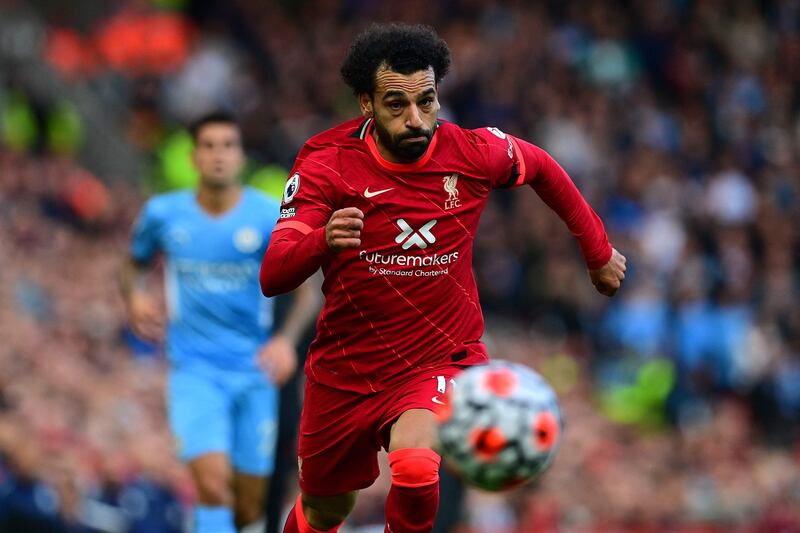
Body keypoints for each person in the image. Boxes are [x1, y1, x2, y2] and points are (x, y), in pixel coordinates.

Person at [260, 24, 626, 533]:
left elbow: (541, 166)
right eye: (395, 105)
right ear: (365, 103)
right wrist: (321, 239)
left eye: (426, 101)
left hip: (437, 358)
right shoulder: (326, 164)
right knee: (326, 510)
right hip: (346, 368)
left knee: (415, 469)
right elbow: (274, 274)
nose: (416, 119)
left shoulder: (472, 153)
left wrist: (598, 252)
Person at [121, 111, 318, 533]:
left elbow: (309, 288)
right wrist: (136, 296)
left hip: (253, 372)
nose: (219, 156)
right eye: (209, 147)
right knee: (212, 484)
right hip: (194, 371)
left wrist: (285, 341)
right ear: (194, 157)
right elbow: (133, 264)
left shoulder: (269, 216)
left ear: (241, 156)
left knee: (248, 505)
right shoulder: (163, 214)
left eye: (228, 146)